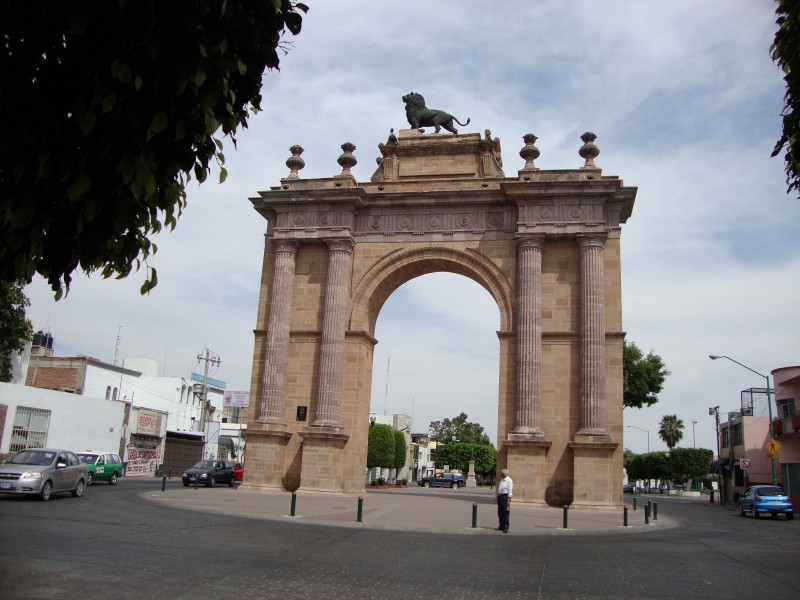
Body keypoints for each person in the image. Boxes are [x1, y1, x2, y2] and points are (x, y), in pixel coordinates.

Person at [496, 468, 513, 533]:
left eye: (501, 473)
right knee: (500, 512)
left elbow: (510, 491)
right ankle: (501, 526)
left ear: (504, 474)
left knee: (505, 512)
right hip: (500, 496)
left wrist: (508, 500)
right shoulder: (502, 480)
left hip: (505, 497)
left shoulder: (509, 480)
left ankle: (506, 527)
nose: (499, 474)